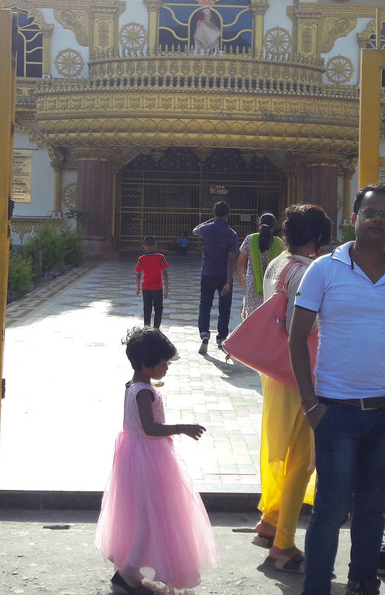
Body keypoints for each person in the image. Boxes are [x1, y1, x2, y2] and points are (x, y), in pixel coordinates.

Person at [289, 184, 385, 595]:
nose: (379, 221)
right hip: (336, 412)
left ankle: (363, 581)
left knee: (371, 509)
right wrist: (311, 404)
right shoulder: (324, 270)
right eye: (371, 213)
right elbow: (297, 339)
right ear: (354, 218)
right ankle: (317, 586)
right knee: (329, 510)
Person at [95, 327, 220, 594]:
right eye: (162, 364)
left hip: (136, 455)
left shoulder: (134, 385)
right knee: (150, 516)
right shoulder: (143, 392)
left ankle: (129, 570)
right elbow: (150, 428)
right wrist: (181, 427)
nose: (166, 368)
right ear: (144, 365)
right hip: (147, 457)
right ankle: (128, 573)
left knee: (143, 515)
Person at [254, 204, 333, 573]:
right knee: (303, 458)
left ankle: (270, 519)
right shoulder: (306, 272)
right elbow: (300, 328)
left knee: (279, 446)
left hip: (274, 370)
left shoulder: (277, 262)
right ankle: (283, 543)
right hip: (297, 373)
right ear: (317, 237)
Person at [192, 200, 238, 355]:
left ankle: (204, 334)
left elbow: (194, 230)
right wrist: (229, 281)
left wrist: (211, 220)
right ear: (229, 215)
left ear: (213, 214)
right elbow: (231, 259)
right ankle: (221, 337)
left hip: (207, 273)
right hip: (224, 274)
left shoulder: (206, 229)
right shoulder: (231, 234)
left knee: (204, 305)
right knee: (224, 308)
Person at [237, 212, 286, 320]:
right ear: (274, 227)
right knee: (266, 317)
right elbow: (284, 264)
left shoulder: (250, 239)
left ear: (259, 225)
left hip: (252, 284)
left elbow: (240, 262)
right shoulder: (279, 243)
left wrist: (241, 277)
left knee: (251, 317)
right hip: (271, 285)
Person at [135, 235, 169, 329]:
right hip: (157, 287)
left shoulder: (141, 259)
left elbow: (138, 275)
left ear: (144, 246)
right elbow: (165, 274)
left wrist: (138, 288)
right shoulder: (161, 257)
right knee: (158, 309)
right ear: (156, 245)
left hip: (145, 287)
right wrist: (166, 289)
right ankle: (156, 328)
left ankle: (147, 328)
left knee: (147, 309)